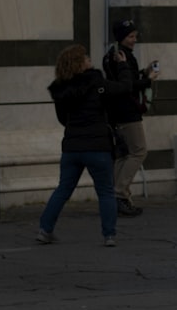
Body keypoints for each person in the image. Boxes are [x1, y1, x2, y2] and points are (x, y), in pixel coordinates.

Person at [38, 45, 132, 247]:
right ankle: (109, 235)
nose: (90, 59)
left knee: (63, 189)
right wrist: (123, 66)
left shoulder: (61, 90)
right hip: (98, 146)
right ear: (80, 63)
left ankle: (45, 229)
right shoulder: (96, 83)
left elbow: (63, 119)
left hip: (72, 147)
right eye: (86, 58)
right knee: (105, 191)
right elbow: (124, 87)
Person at [104, 19, 158, 216]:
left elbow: (125, 80)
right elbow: (127, 85)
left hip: (117, 111)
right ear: (121, 37)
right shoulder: (121, 57)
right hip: (127, 111)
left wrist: (143, 73)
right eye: (130, 36)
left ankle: (116, 196)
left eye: (135, 35)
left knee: (124, 154)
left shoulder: (112, 55)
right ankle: (120, 194)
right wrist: (148, 80)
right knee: (139, 151)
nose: (134, 40)